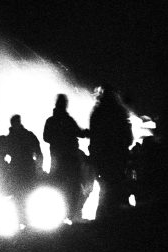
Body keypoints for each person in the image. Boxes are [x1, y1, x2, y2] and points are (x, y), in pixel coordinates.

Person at [88, 84, 134, 219]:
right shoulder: (120, 112)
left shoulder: (97, 113)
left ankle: (102, 220)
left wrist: (94, 158)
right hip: (118, 157)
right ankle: (120, 219)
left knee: (105, 190)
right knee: (118, 188)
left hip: (102, 158)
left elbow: (94, 138)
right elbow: (128, 138)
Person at [43, 94, 89, 221]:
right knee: (74, 185)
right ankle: (71, 213)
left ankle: (60, 215)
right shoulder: (68, 120)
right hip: (70, 158)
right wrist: (89, 132)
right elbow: (79, 133)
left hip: (57, 158)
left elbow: (46, 137)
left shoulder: (51, 121)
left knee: (58, 186)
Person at [4, 114, 43, 226]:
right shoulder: (27, 135)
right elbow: (38, 153)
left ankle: (23, 220)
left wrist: (38, 167)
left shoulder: (12, 137)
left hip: (21, 168)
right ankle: (24, 220)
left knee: (21, 195)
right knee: (23, 194)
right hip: (24, 168)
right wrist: (38, 167)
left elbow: (38, 153)